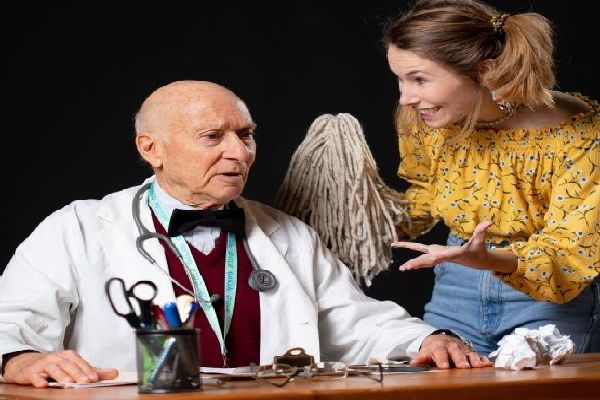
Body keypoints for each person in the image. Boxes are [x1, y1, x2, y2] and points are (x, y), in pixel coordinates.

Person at [0, 81, 490, 387]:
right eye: (213, 137)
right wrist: (18, 359)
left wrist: (428, 338)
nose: (239, 152)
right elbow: (12, 318)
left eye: (246, 134)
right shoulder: (79, 227)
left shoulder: (288, 234)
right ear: (152, 149)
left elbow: (353, 320)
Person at [382, 0, 600, 354]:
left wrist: (487, 259)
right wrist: (376, 226)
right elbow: (427, 189)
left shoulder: (578, 134)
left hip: (545, 300)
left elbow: (570, 251)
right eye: (399, 79)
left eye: (419, 79)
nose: (406, 98)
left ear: (483, 70)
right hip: (455, 287)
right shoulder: (425, 119)